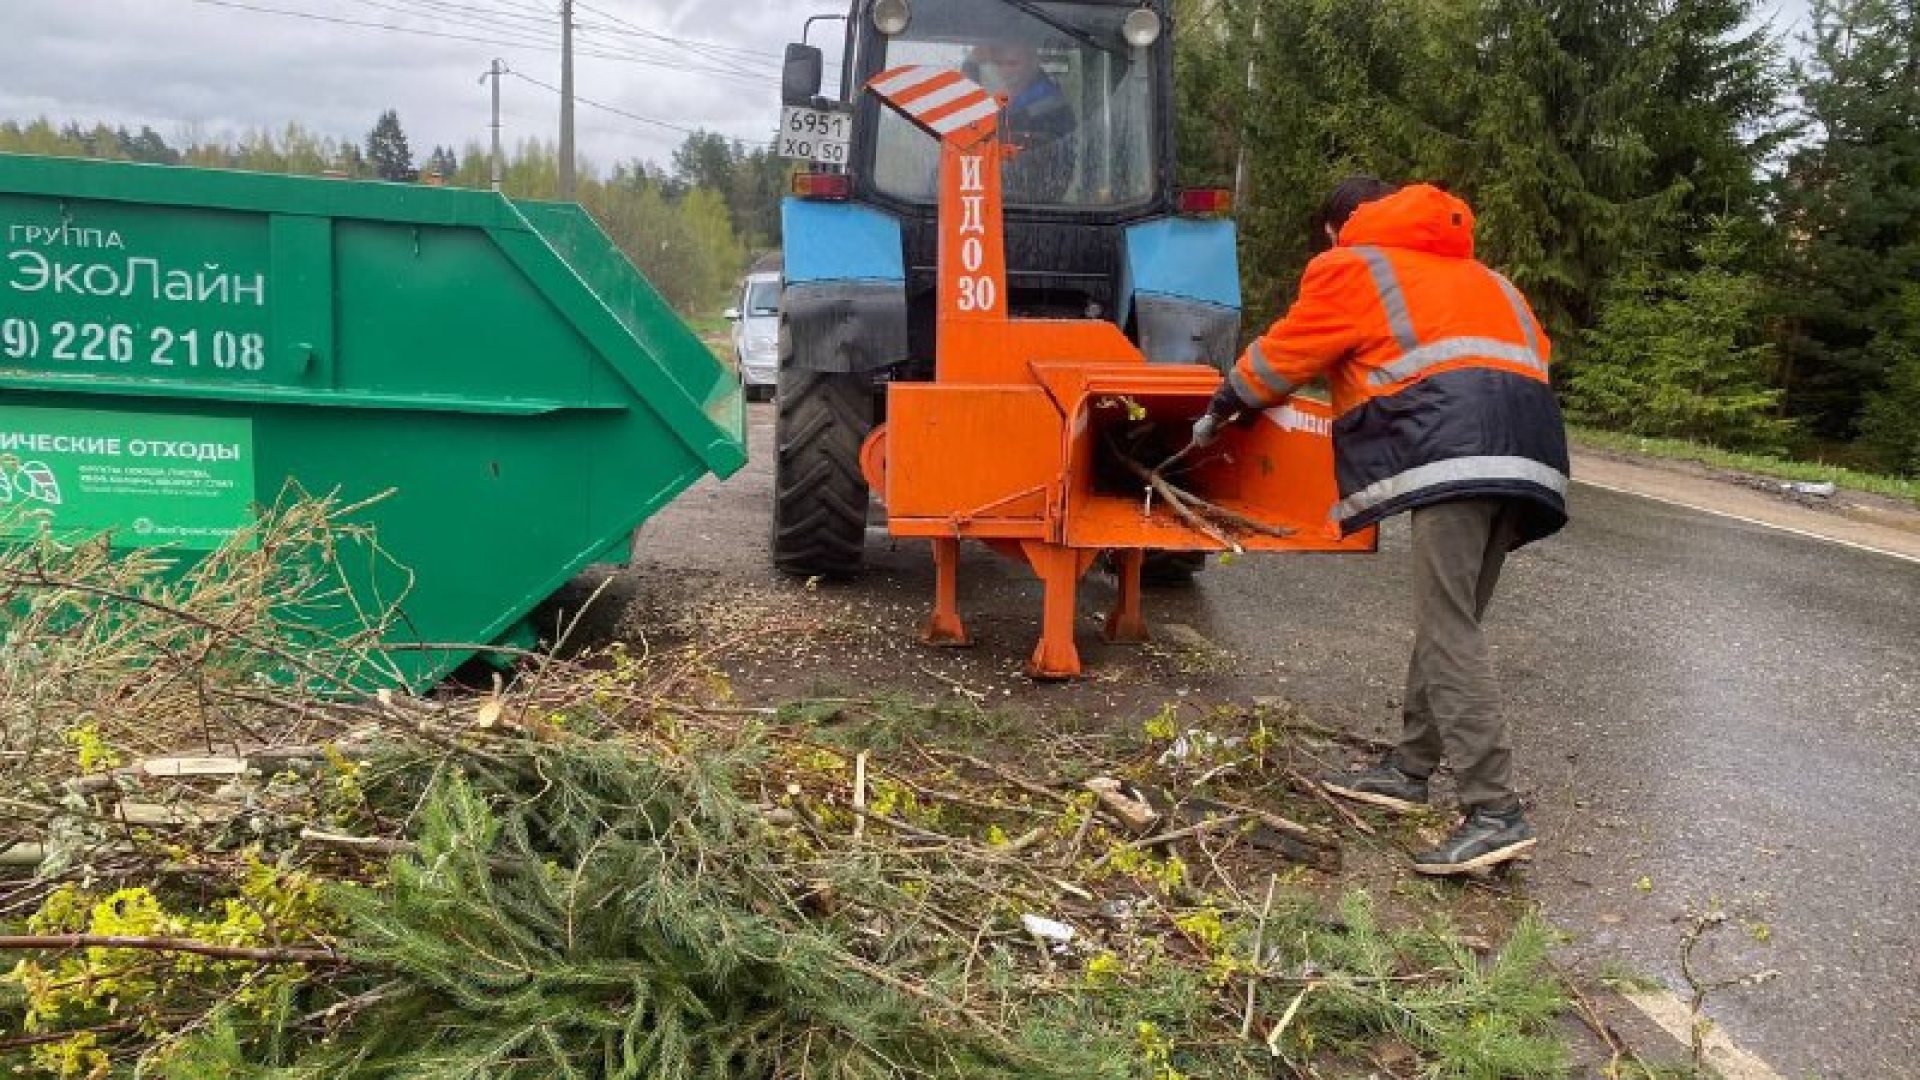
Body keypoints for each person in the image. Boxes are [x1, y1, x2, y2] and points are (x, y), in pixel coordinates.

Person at [1193, 176, 1570, 875]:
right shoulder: (1490, 280)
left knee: (1447, 625)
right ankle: (1409, 768)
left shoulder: (1353, 266)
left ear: (1340, 228)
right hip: (1531, 452)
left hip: (1455, 451)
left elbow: (1283, 357)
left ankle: (1493, 810)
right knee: (1453, 617)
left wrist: (1225, 403)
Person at [970, 40, 1075, 202]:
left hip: (1034, 204)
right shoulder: (1009, 100)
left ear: (1034, 63)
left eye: (1013, 64)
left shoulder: (1048, 105)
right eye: (999, 64)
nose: (1005, 72)